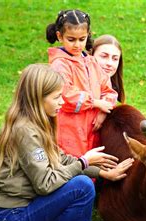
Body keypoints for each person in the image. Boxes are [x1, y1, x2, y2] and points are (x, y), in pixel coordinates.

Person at [0, 64, 134, 221]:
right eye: (56, 97)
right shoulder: (25, 131)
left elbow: (61, 158)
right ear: (37, 98)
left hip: (19, 208)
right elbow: (45, 184)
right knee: (82, 187)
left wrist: (101, 172)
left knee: (77, 181)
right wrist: (83, 162)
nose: (62, 102)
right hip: (10, 218)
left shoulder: (35, 123)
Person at [46, 10, 118, 157]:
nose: (77, 45)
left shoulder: (91, 61)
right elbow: (66, 96)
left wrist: (104, 111)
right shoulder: (60, 64)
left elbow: (109, 91)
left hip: (93, 129)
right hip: (69, 131)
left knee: (94, 167)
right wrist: (96, 103)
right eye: (71, 39)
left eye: (82, 39)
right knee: (75, 167)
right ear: (60, 36)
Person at [91, 34, 125, 103]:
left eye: (115, 59)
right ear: (91, 55)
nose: (109, 63)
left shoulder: (114, 94)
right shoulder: (78, 89)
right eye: (104, 56)